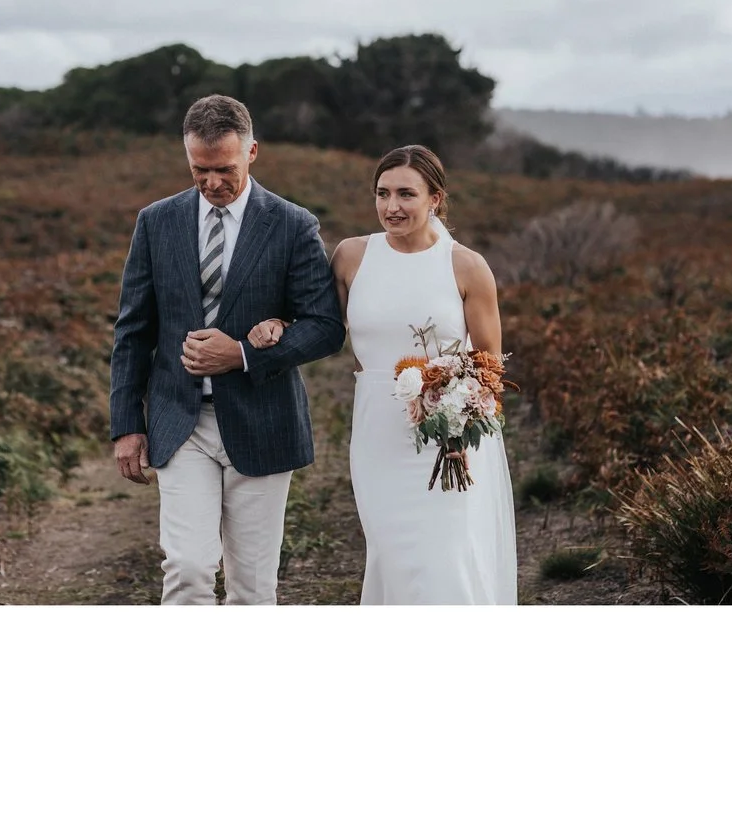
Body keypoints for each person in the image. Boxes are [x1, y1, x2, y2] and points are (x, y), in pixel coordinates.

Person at [248, 145, 517, 604]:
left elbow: (490, 366)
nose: (392, 206)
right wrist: (279, 325)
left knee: (444, 554)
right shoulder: (353, 256)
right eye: (383, 193)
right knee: (393, 552)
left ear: (435, 198)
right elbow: (323, 324)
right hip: (377, 430)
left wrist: (457, 421)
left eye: (406, 194)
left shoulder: (467, 266)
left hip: (446, 438)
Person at [107, 94, 346, 605]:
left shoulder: (292, 224)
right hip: (179, 421)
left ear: (252, 152)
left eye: (224, 170)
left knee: (253, 587)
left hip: (263, 420)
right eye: (200, 170)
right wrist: (127, 425)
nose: (212, 182)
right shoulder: (156, 222)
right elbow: (133, 329)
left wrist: (242, 354)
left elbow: (325, 326)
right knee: (188, 568)